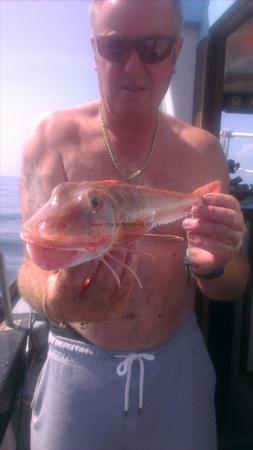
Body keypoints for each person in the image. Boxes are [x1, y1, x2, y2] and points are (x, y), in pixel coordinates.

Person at [18, 1, 249, 449]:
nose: (132, 65)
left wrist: (213, 266)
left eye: (153, 47)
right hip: (76, 373)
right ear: (93, 49)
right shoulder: (51, 137)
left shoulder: (203, 152)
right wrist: (54, 298)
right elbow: (31, 266)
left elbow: (235, 282)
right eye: (115, 45)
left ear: (177, 53)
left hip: (178, 373)